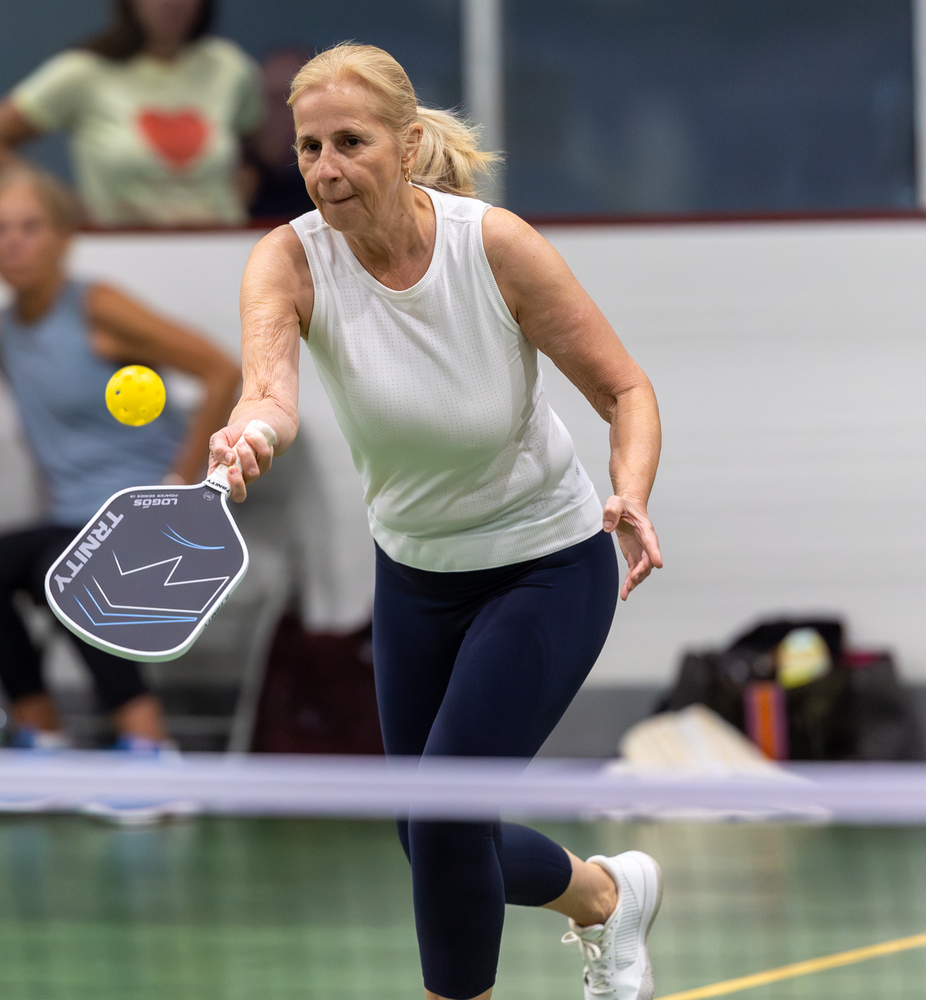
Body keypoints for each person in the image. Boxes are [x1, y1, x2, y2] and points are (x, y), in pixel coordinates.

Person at [209, 44, 666, 1000]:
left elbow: (624, 388)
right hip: (416, 576)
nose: (326, 168)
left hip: (545, 564)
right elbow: (269, 391)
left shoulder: (491, 245)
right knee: (423, 828)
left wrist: (630, 490)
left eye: (350, 142)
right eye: (307, 147)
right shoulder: (288, 259)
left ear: (408, 144)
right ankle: (604, 896)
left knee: (447, 813)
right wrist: (250, 433)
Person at [0, 164, 241, 750]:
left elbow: (220, 371)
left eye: (29, 227)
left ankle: (149, 744)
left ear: (64, 236)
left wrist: (181, 488)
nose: (12, 242)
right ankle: (41, 735)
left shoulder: (97, 306)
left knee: (63, 569)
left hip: (145, 513)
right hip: (74, 518)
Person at [0, 0, 262, 228]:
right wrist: (62, 202)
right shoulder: (84, 71)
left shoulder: (230, 66)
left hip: (220, 250)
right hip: (121, 252)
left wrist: (237, 199)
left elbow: (255, 153)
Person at [244, 47, 316, 220]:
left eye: (297, 102)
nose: (287, 117)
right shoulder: (222, 175)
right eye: (275, 99)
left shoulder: (331, 179)